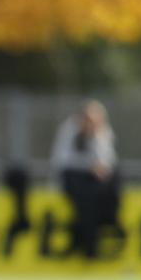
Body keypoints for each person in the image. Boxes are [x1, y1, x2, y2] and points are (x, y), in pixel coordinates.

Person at [51, 100, 121, 259]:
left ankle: (109, 219)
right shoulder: (70, 129)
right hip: (74, 176)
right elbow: (63, 159)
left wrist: (97, 138)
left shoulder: (103, 132)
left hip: (93, 180)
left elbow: (107, 160)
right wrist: (91, 165)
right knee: (87, 199)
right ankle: (89, 248)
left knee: (111, 182)